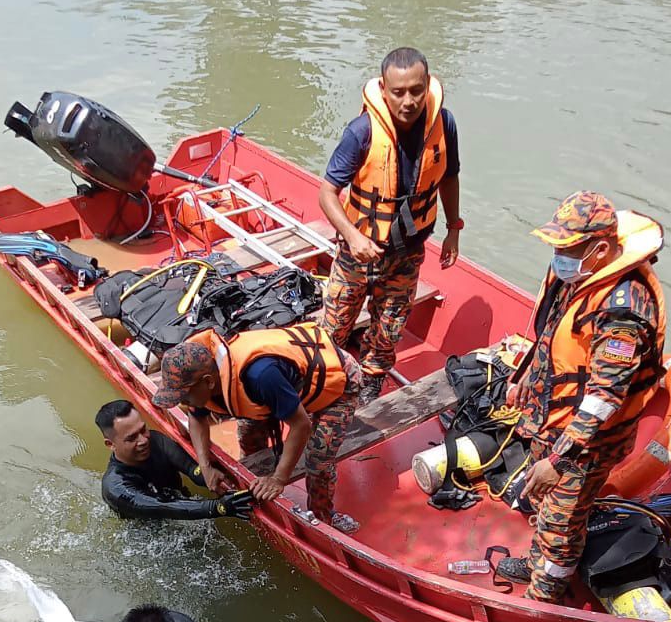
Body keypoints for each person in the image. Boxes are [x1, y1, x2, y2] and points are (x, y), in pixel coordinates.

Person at [497, 191, 667, 602]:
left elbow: (604, 399)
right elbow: (553, 331)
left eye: (567, 247)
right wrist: (523, 375)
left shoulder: (623, 313)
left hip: (584, 444)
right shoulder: (579, 275)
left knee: (561, 521)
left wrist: (559, 459)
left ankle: (544, 597)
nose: (559, 254)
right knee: (541, 505)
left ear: (601, 249)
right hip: (551, 420)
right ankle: (538, 561)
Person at [319, 46, 463, 404]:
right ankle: (323, 380)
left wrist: (454, 228)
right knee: (335, 324)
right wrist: (352, 237)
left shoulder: (443, 124)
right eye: (398, 92)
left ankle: (370, 383)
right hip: (360, 250)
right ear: (384, 89)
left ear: (427, 84)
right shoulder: (362, 131)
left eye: (416, 90)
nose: (409, 100)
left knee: (390, 327)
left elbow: (449, 176)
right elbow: (326, 192)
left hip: (409, 250)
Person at [152, 324, 361, 533]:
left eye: (185, 396)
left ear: (208, 382)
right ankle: (254, 489)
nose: (183, 401)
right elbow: (196, 417)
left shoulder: (260, 376)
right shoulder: (203, 377)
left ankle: (323, 517)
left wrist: (279, 479)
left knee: (318, 454)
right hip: (285, 385)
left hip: (337, 382)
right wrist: (205, 466)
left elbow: (301, 425)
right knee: (248, 432)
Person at [96, 399, 253, 521]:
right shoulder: (115, 488)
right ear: (110, 444)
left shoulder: (156, 441)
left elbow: (191, 468)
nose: (143, 440)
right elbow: (162, 507)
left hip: (181, 503)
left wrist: (212, 475)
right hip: (151, 535)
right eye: (132, 438)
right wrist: (218, 507)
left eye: (143, 430)